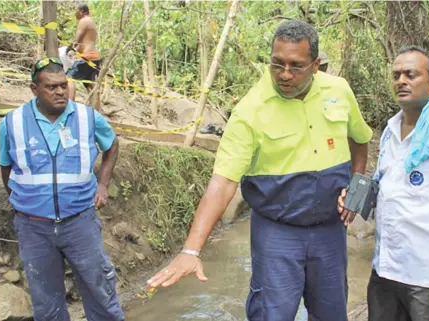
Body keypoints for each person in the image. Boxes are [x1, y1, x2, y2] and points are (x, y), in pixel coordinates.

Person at [147, 20, 373, 321]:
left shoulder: (339, 90)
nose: (285, 75)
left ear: (316, 64)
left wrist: (357, 183)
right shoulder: (250, 110)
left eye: (296, 66)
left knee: (331, 313)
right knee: (272, 314)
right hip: (277, 233)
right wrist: (191, 250)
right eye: (277, 64)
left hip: (330, 231)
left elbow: (360, 139)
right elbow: (223, 181)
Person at [338, 46, 429, 321]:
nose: (401, 81)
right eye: (396, 75)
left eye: (410, 74)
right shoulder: (390, 130)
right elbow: (387, 187)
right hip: (385, 272)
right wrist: (354, 196)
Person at [0, 57, 124, 321]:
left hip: (80, 224)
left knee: (101, 294)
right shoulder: (12, 123)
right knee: (46, 305)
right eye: (51, 87)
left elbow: (111, 145)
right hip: (33, 229)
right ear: (34, 89)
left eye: (63, 85)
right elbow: (6, 168)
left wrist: (102, 183)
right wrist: (23, 204)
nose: (60, 92)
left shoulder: (87, 117)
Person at [67, 3, 102, 112]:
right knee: (90, 83)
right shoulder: (90, 22)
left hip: (87, 58)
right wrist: (74, 52)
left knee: (68, 78)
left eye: (76, 10)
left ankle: (69, 107)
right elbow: (83, 43)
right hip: (94, 57)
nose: (74, 12)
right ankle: (97, 109)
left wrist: (67, 49)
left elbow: (76, 40)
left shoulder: (84, 21)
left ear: (81, 11)